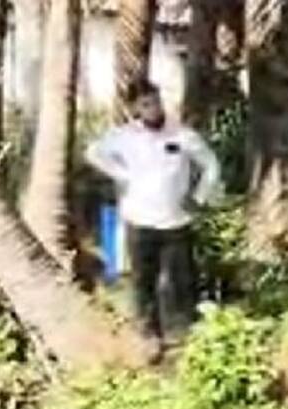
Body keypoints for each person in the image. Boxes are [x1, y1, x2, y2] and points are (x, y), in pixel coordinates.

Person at [84, 79, 221, 350]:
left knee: (182, 279)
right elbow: (93, 152)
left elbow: (210, 165)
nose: (154, 108)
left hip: (176, 220)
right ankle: (149, 335)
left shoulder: (181, 135)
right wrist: (122, 174)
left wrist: (199, 197)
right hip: (140, 219)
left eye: (156, 101)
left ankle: (183, 332)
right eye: (146, 104)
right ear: (135, 108)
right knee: (142, 280)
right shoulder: (123, 137)